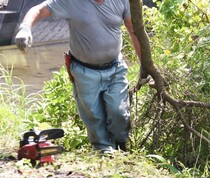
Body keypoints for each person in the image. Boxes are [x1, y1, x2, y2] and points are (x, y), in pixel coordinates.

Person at [15, 0, 142, 154]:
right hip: (84, 71)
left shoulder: (122, 1)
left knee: (119, 112)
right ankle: (103, 152)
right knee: (94, 117)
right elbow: (39, 10)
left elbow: (134, 31)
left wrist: (145, 66)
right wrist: (25, 28)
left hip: (115, 68)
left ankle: (121, 147)